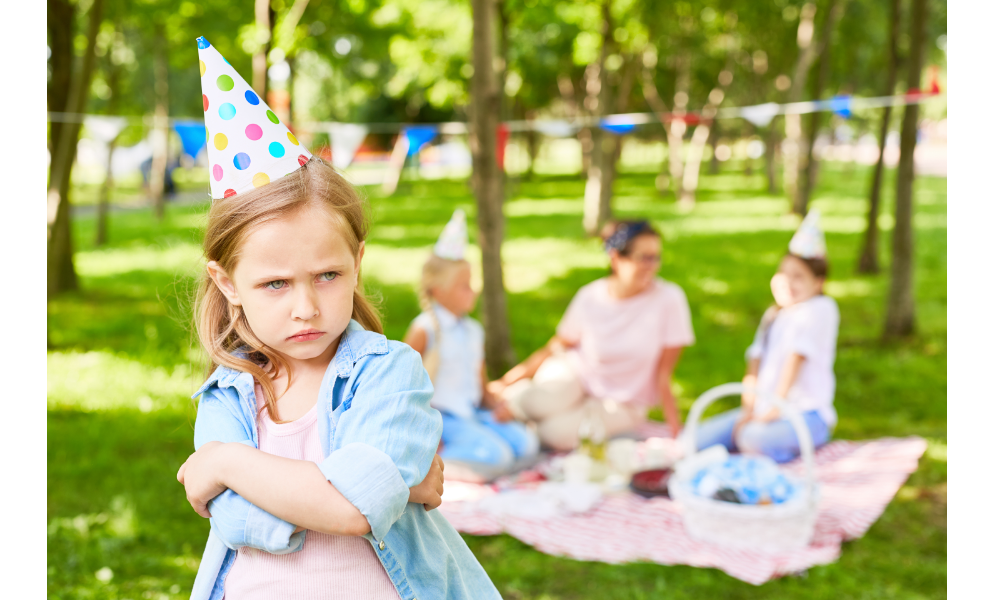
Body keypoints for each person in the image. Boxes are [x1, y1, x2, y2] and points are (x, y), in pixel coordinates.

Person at [175, 37, 499, 600]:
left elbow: (352, 510)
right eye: (274, 284)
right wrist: (391, 488)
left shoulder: (389, 371)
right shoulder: (226, 395)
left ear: (356, 263)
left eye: (327, 275)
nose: (306, 307)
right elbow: (237, 523)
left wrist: (228, 463)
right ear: (228, 284)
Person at [489, 219, 695, 450]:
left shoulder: (669, 299)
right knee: (536, 402)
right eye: (643, 258)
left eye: (656, 257)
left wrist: (677, 435)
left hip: (622, 402)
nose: (652, 266)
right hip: (576, 373)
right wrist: (507, 380)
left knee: (553, 434)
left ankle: (521, 423)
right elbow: (557, 345)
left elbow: (663, 375)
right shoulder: (590, 296)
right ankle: (514, 402)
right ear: (616, 258)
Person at [694, 210, 839, 463]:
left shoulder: (821, 308)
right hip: (765, 408)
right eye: (783, 274)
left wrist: (772, 410)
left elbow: (796, 359)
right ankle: (755, 450)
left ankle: (775, 455)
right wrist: (749, 409)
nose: (787, 282)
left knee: (751, 437)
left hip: (806, 414)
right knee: (695, 440)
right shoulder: (773, 314)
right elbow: (754, 362)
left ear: (818, 283)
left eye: (798, 276)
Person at [403, 209, 539, 480]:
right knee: (498, 457)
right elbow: (402, 385)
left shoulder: (474, 330)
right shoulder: (426, 329)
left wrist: (497, 407)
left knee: (527, 445)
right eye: (464, 286)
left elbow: (480, 382)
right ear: (438, 291)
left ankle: (482, 459)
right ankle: (427, 463)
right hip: (443, 420)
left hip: (472, 413)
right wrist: (423, 431)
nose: (473, 291)